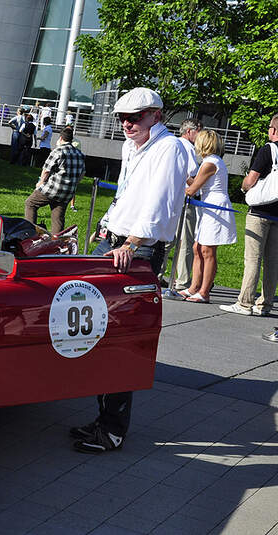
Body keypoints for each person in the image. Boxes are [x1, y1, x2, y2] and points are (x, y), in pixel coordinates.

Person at [71, 87, 187, 454]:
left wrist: (131, 244)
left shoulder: (169, 149)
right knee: (96, 333)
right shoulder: (133, 146)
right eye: (122, 117)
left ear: (156, 114)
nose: (126, 123)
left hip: (137, 248)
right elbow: (127, 192)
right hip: (119, 242)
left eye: (135, 117)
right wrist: (108, 224)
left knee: (119, 340)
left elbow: (159, 205)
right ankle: (104, 419)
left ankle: (112, 429)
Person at [220, 113, 278, 316]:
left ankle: (245, 303)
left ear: (273, 130)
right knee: (272, 263)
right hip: (277, 216)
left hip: (260, 212)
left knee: (253, 259)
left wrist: (245, 188)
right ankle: (265, 304)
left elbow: (251, 178)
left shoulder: (268, 150)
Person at [179, 130, 236, 303]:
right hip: (207, 207)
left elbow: (192, 190)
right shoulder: (208, 162)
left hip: (215, 208)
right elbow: (195, 184)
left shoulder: (210, 162)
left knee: (207, 250)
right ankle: (193, 287)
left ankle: (204, 292)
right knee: (198, 248)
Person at [161, 118, 202, 289]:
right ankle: (183, 280)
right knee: (185, 239)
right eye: (199, 131)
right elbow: (190, 174)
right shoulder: (188, 148)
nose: (200, 135)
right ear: (189, 131)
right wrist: (200, 184)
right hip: (185, 199)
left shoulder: (172, 144)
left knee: (167, 238)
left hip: (171, 197)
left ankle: (158, 272)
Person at [24, 127, 85, 234]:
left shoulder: (58, 151)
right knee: (58, 218)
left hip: (52, 189)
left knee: (30, 203)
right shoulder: (79, 154)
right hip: (67, 193)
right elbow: (82, 173)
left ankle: (30, 233)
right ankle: (56, 243)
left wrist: (40, 183)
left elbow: (46, 170)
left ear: (60, 138)